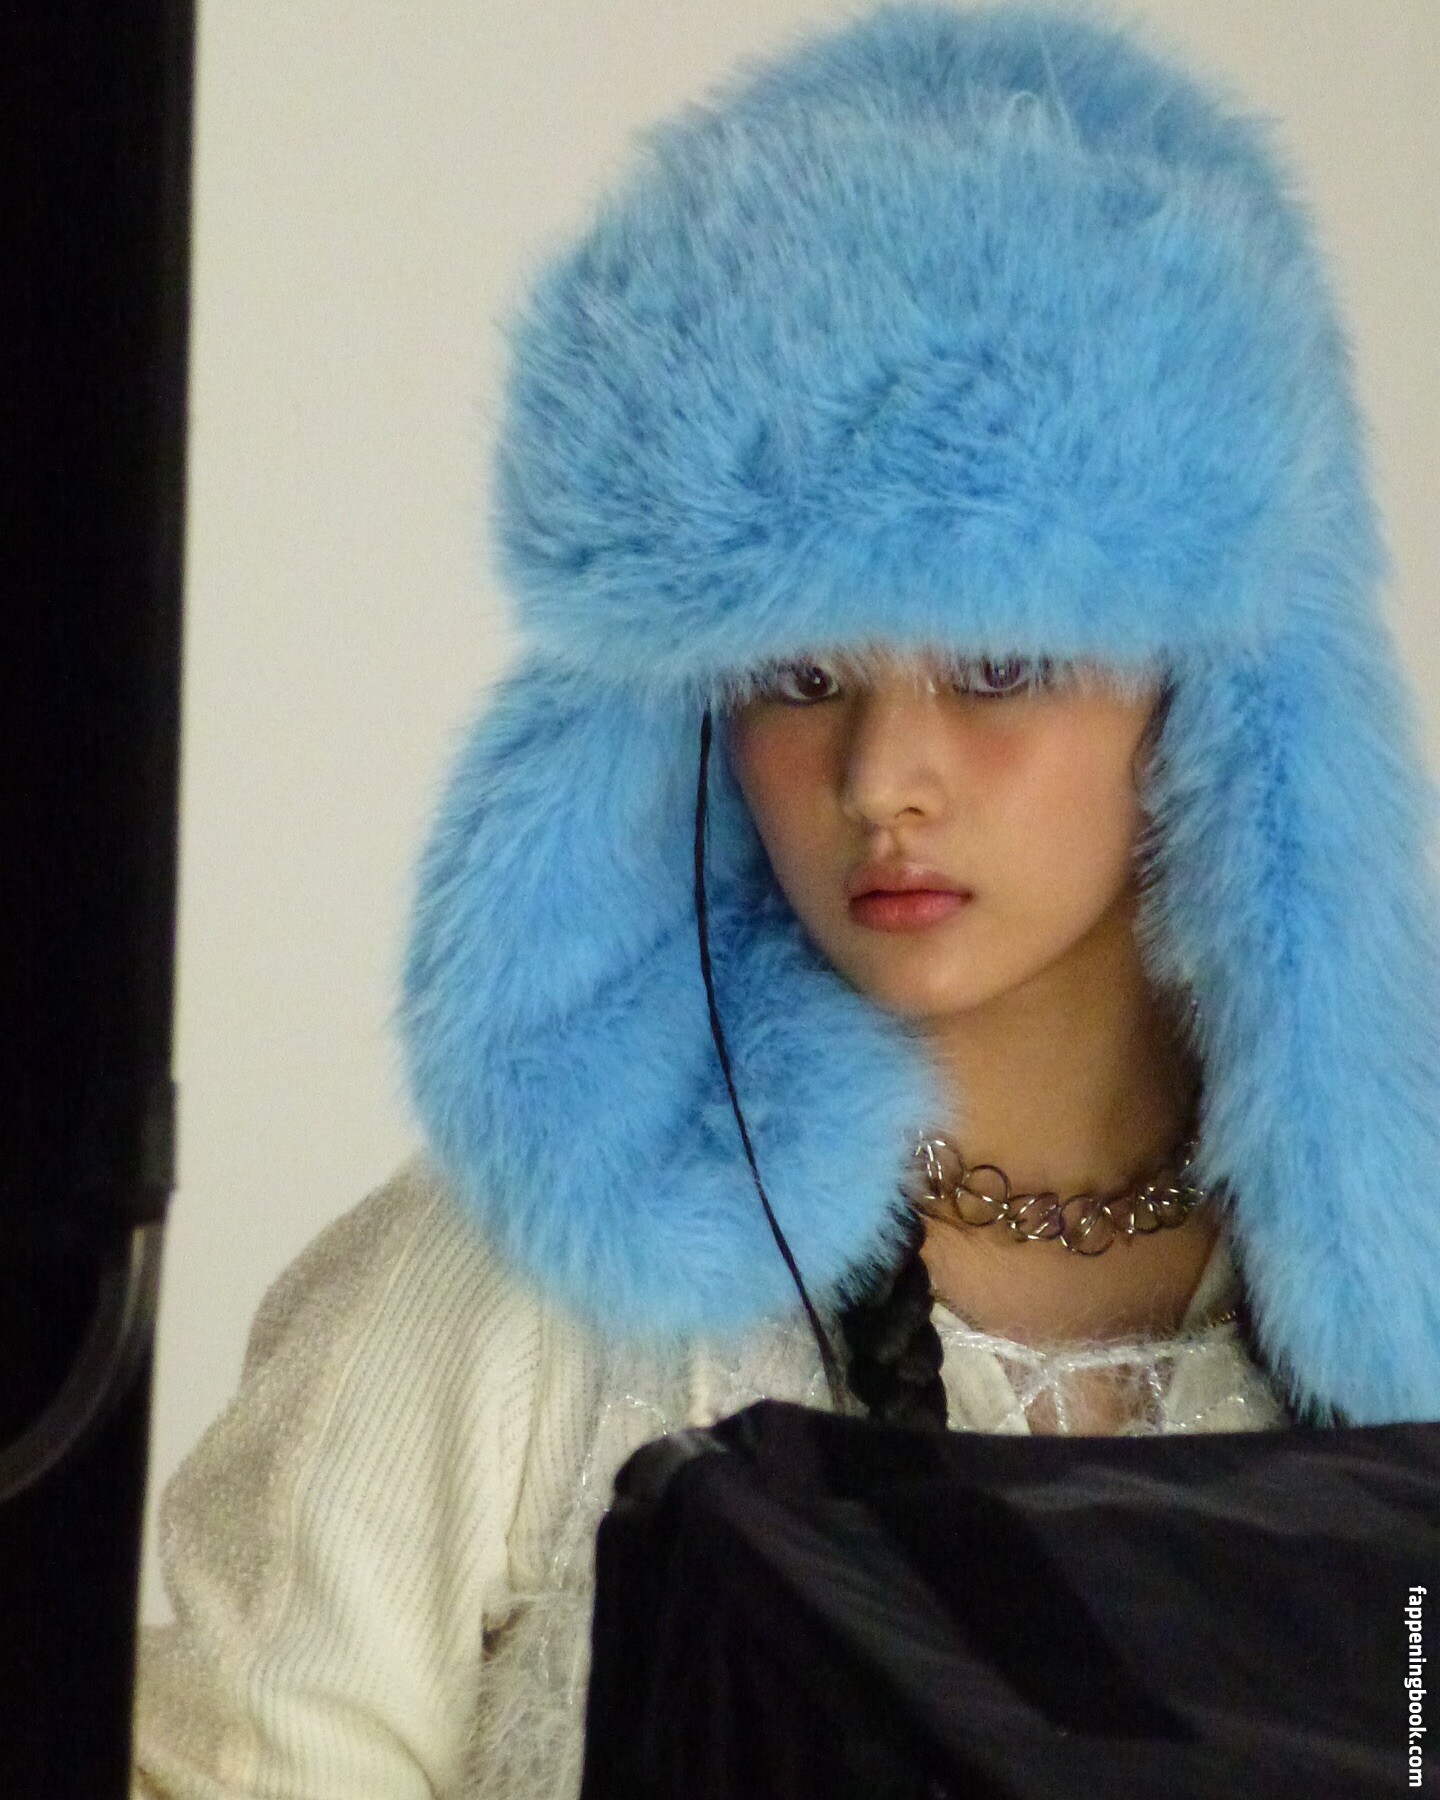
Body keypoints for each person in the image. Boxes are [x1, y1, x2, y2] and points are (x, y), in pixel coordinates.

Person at [133, 4, 1440, 1797]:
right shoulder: (518, 1312)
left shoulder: (1389, 1338)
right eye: (799, 673)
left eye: (999, 660)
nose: (883, 773)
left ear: (1214, 688)